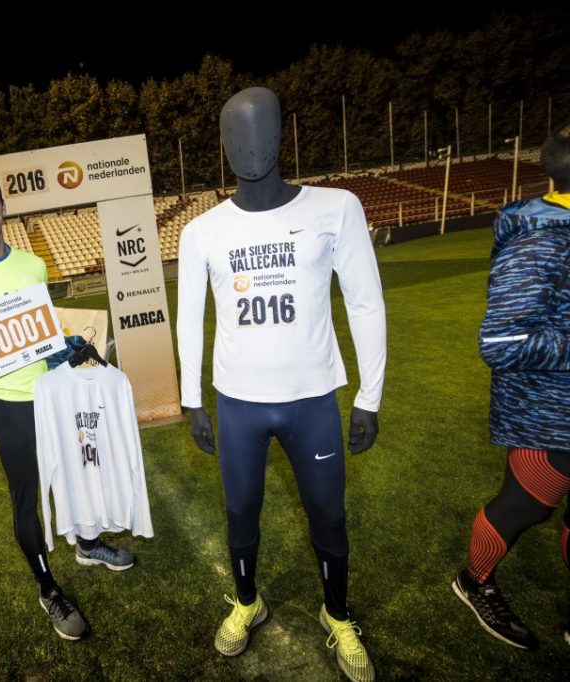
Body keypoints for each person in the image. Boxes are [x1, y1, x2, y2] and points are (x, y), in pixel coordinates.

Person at [176, 87, 386, 682]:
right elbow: (189, 320)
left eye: (260, 131)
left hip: (312, 399)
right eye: (235, 135)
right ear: (222, 144)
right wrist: (193, 401)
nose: (250, 146)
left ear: (280, 135)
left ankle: (337, 613)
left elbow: (365, 302)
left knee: (328, 513)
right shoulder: (202, 232)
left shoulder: (335, 208)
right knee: (240, 511)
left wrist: (369, 396)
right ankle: (248, 602)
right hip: (238, 403)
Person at [0, 167, 134, 641]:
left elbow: (42, 333)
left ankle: (88, 544)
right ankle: (47, 588)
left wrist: (71, 345)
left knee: (80, 477)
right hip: (10, 407)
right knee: (27, 499)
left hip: (56, 397)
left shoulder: (33, 265)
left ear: (3, 204)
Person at [452, 118, 570, 651]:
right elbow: (501, 343)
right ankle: (474, 582)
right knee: (524, 509)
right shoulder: (542, 237)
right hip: (548, 417)